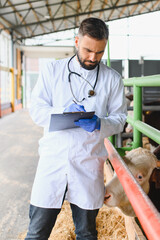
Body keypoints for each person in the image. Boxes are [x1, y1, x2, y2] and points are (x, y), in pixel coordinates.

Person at [25, 17, 127, 239]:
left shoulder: (112, 79)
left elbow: (120, 119)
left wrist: (101, 123)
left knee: (87, 233)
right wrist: (62, 112)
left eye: (99, 52)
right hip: (53, 162)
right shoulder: (53, 71)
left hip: (87, 163)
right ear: (76, 41)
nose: (93, 57)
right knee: (36, 233)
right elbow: (36, 109)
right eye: (88, 50)